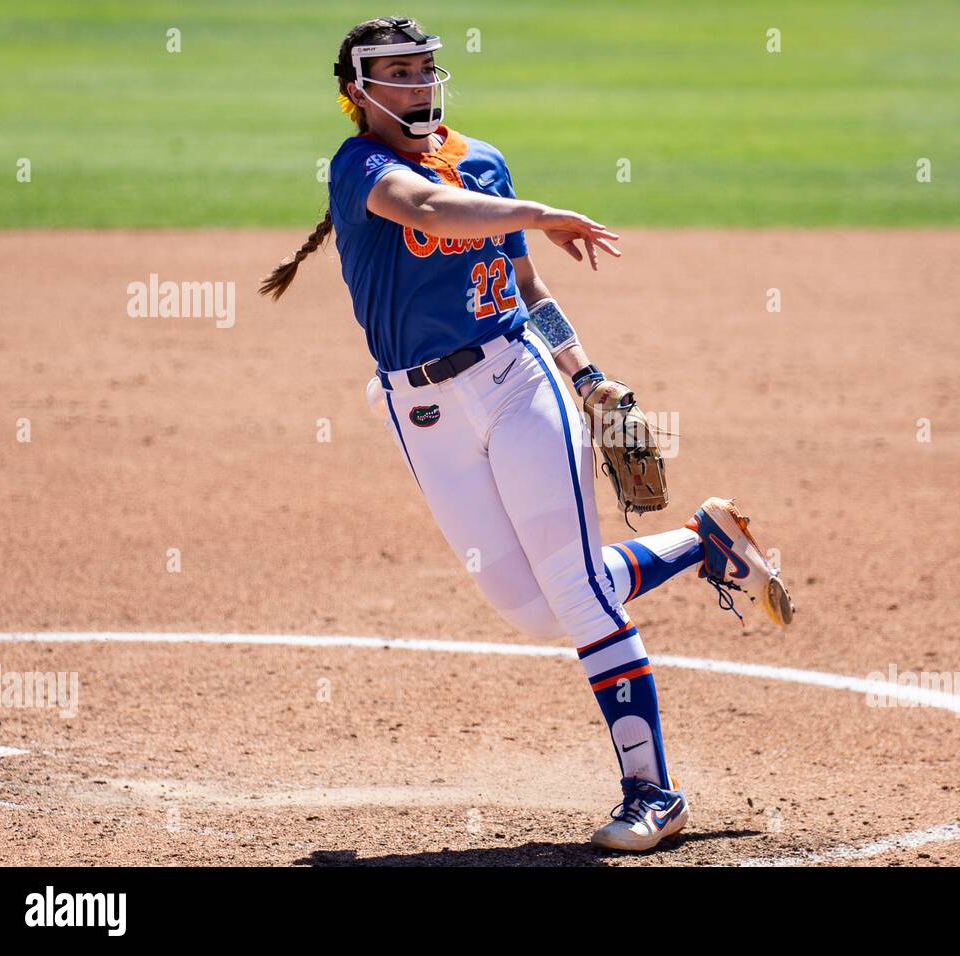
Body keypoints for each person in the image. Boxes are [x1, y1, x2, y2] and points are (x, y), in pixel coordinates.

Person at [259, 16, 794, 852]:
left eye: (424, 67)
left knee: (578, 594)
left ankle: (654, 795)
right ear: (356, 90)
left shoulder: (483, 160)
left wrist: (585, 374)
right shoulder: (359, 166)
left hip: (515, 383)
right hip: (421, 412)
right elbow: (428, 207)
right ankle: (703, 542)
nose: (417, 82)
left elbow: (523, 283)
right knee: (536, 611)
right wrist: (541, 210)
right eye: (396, 71)